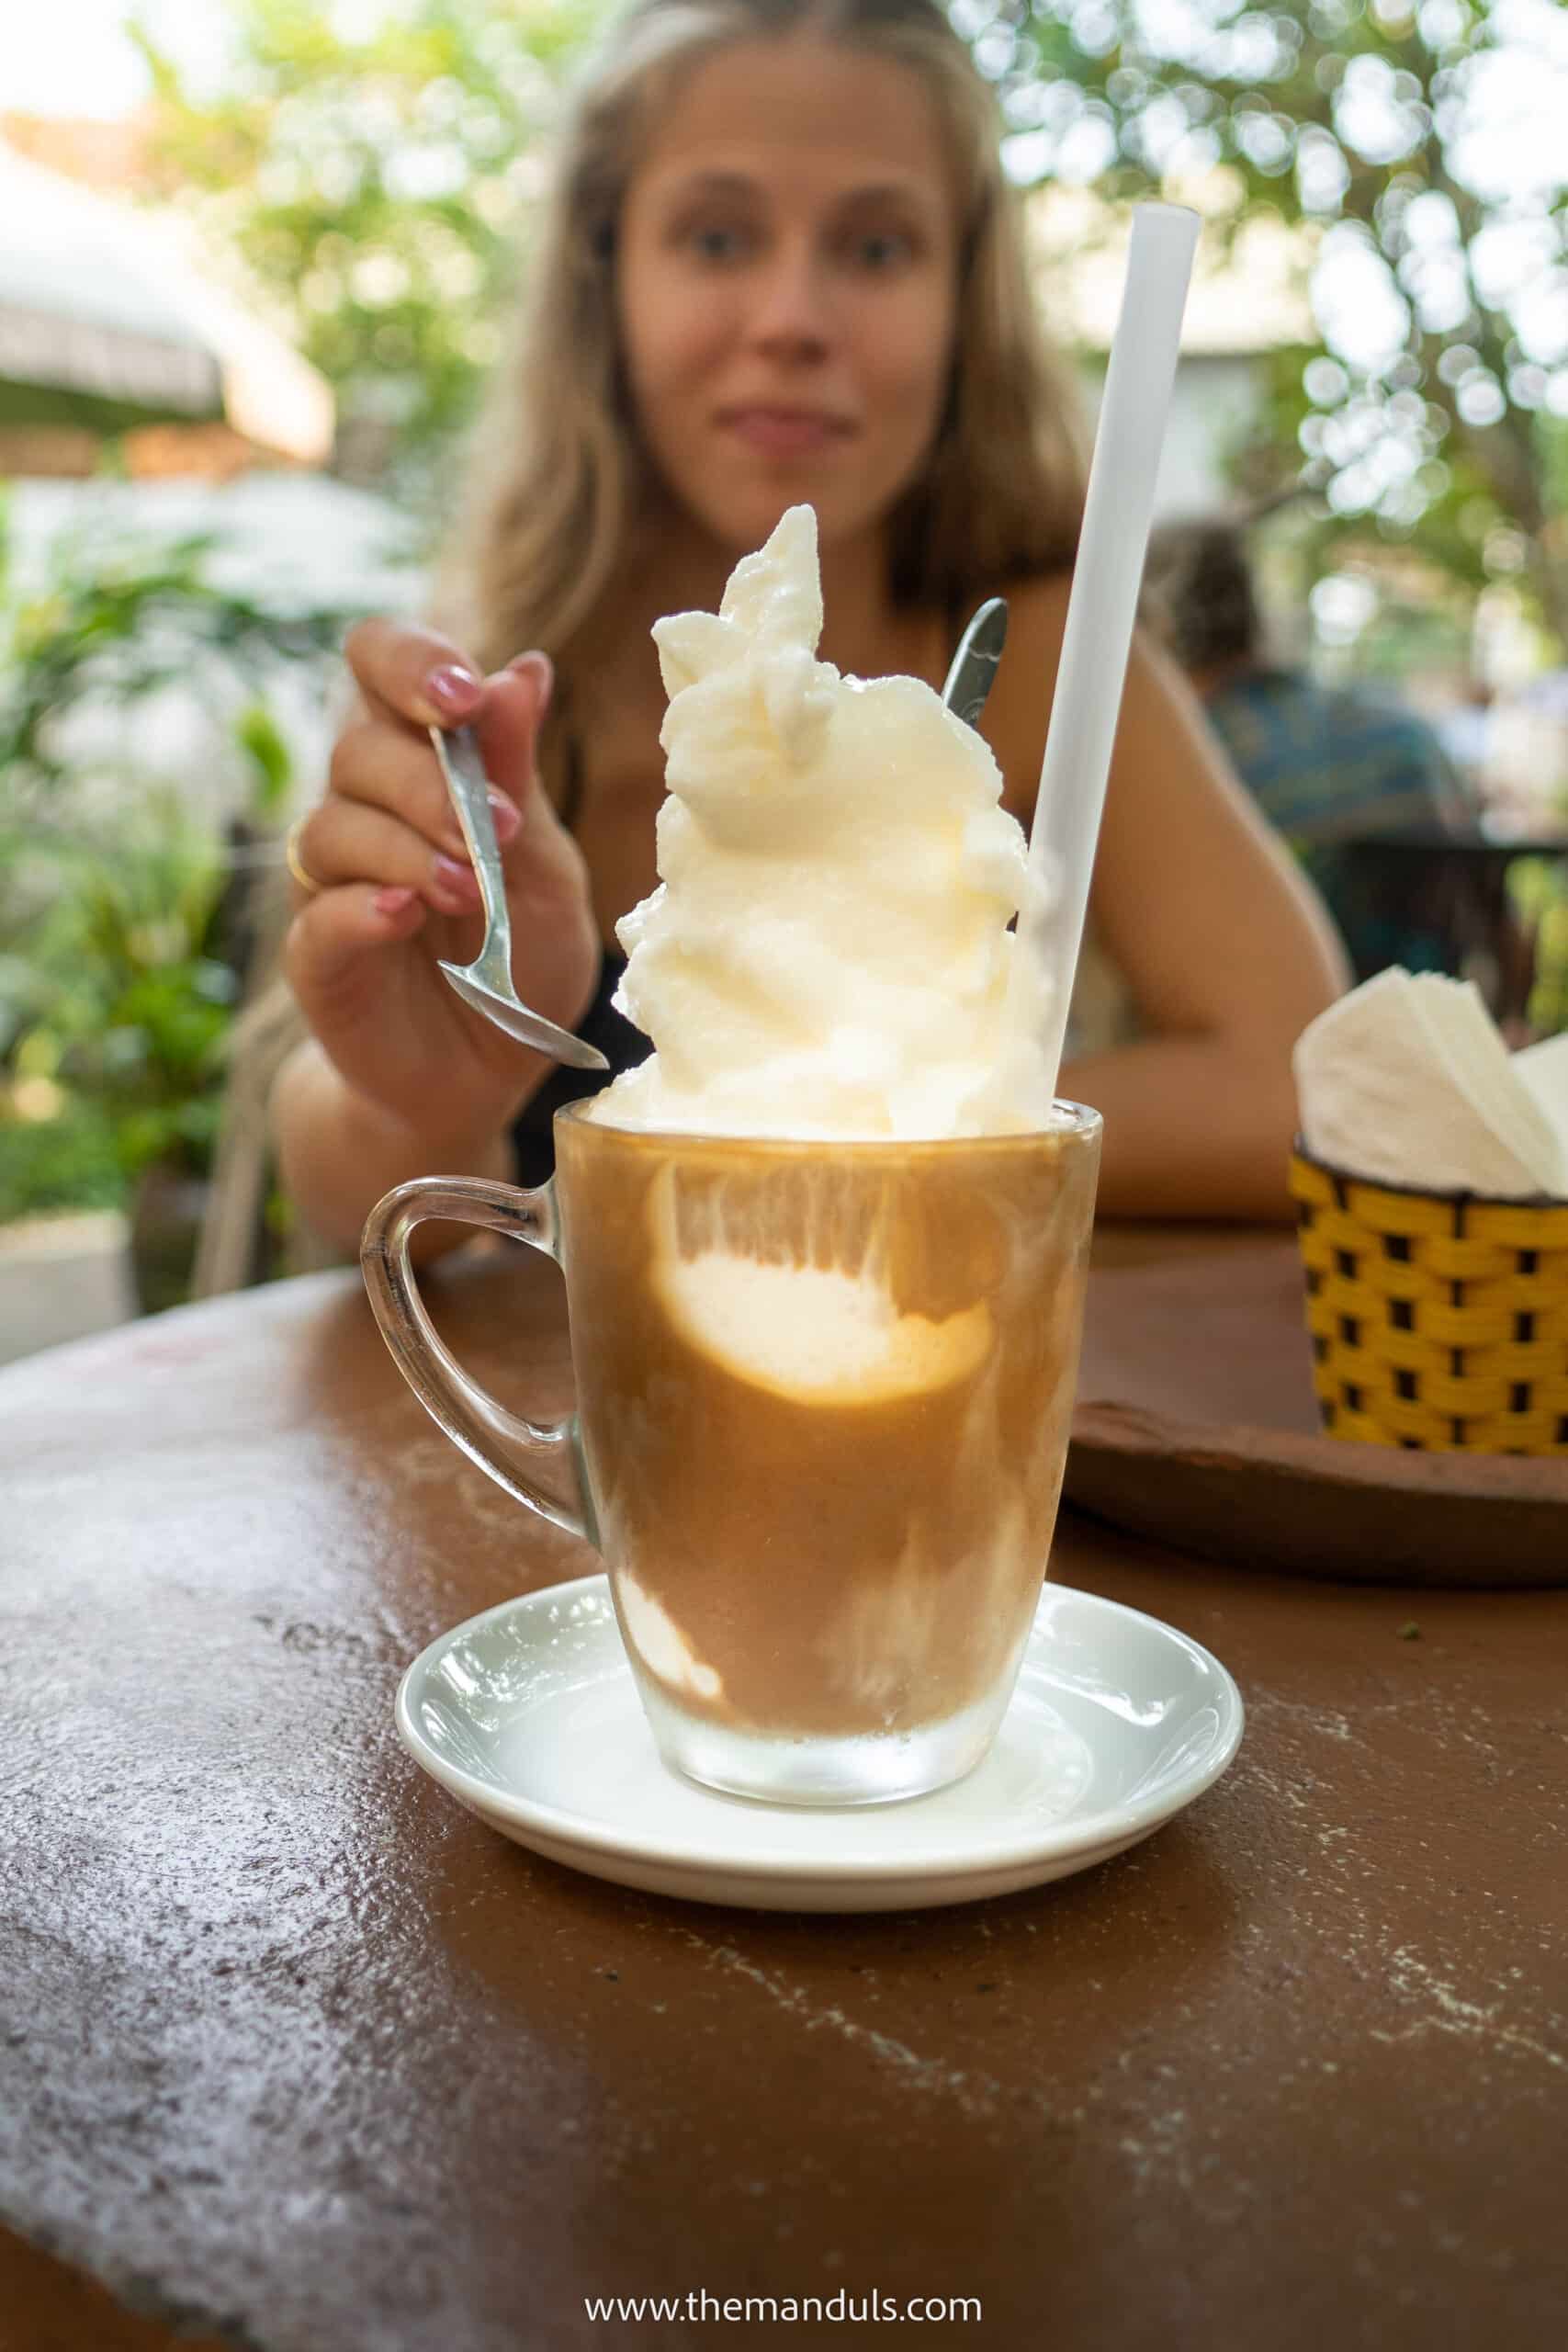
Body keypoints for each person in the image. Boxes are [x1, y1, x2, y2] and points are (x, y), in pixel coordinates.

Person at [271, 0, 1346, 1263]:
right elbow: (344, 1208)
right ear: (602, 280)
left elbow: (1292, 1088)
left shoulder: (1037, 641)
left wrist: (811, 1110)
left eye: (877, 249)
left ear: (965, 302)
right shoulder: (489, 696)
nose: (791, 317)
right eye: (717, 236)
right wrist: (429, 1101)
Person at [1145, 514, 1483, 984]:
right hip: (1428, 1012)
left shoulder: (1184, 765)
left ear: (1160, 630)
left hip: (1269, 1025)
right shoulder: (1409, 735)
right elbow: (1487, 903)